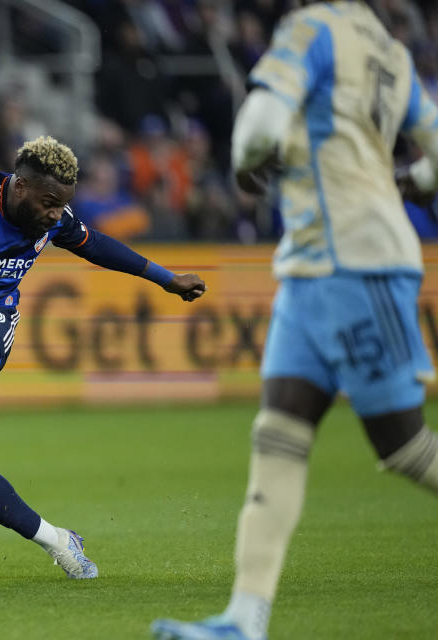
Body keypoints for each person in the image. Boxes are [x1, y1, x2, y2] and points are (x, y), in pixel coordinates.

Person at [152, 2, 438, 639]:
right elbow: (434, 147)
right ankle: (243, 620)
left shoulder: (311, 31)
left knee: (404, 446)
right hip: (313, 265)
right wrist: (411, 179)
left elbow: (257, 128)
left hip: (356, 264)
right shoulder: (389, 49)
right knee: (277, 434)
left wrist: (245, 158)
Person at [0, 136, 207, 577]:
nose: (55, 215)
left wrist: (165, 278)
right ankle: (58, 540)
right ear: (20, 187)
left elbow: (96, 243)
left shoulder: (52, 217)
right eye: (49, 203)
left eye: (62, 205)